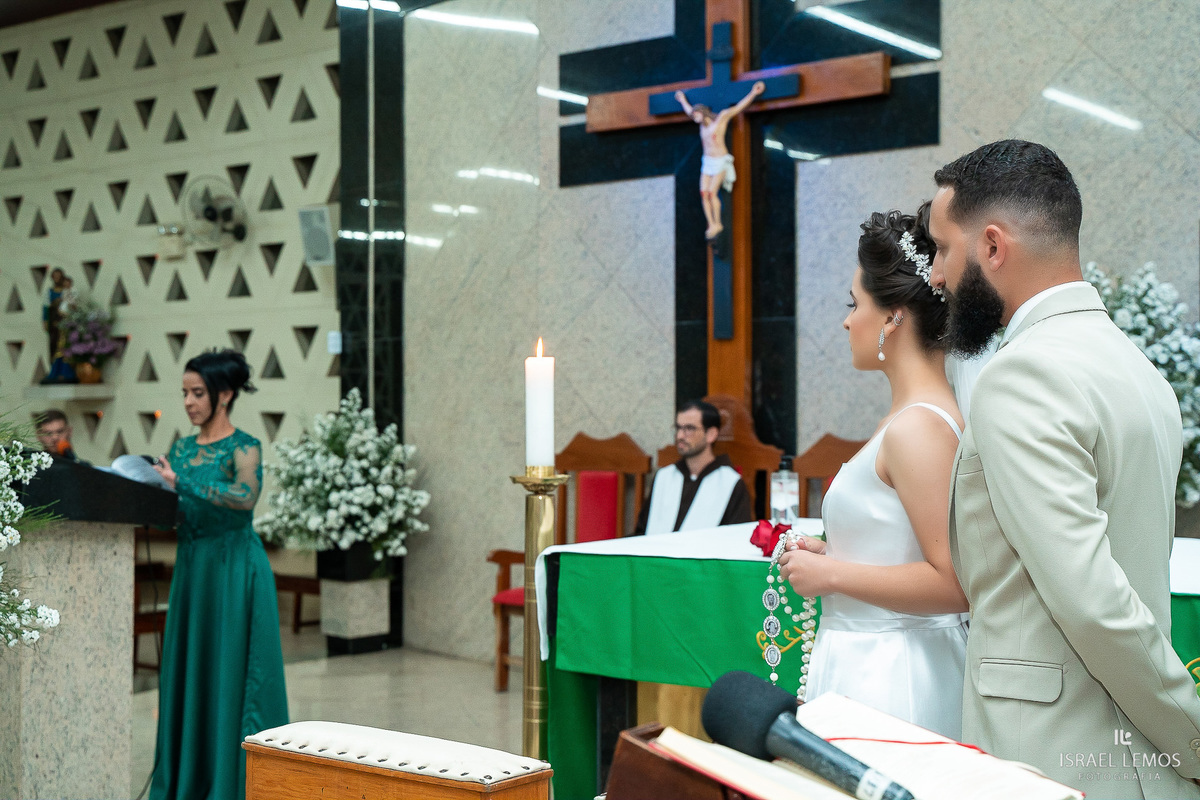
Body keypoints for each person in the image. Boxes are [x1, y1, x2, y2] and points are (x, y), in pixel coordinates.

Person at [929, 139, 1200, 798]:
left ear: (993, 246)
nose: (934, 275)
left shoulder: (1023, 374)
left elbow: (1092, 602)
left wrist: (1192, 736)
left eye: (942, 249)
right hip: (1129, 756)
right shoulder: (1138, 369)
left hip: (1054, 756)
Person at [777, 205, 970, 740]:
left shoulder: (918, 429)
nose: (844, 320)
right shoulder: (910, 420)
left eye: (853, 303)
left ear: (892, 317)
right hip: (868, 657)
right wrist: (836, 554)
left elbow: (955, 582)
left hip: (895, 673)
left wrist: (832, 575)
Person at [148, 349, 288, 800]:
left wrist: (180, 485)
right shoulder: (182, 448)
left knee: (235, 674)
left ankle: (235, 783)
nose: (188, 402)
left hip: (234, 572)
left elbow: (244, 497)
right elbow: (180, 510)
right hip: (194, 572)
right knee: (194, 673)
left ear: (224, 394)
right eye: (185, 393)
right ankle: (189, 778)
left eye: (197, 393)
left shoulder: (245, 446)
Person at [634, 399, 752, 535]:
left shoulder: (730, 483)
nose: (680, 436)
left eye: (689, 429)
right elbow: (641, 532)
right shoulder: (664, 477)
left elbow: (735, 538)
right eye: (678, 428)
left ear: (711, 434)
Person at [675, 81, 765, 239]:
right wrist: (682, 100)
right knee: (703, 193)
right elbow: (689, 110)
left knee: (711, 192)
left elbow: (738, 108)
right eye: (694, 115)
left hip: (720, 161)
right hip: (707, 162)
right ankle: (712, 224)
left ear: (703, 112)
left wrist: (753, 93)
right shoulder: (701, 125)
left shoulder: (720, 119)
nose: (694, 117)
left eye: (696, 114)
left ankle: (718, 223)